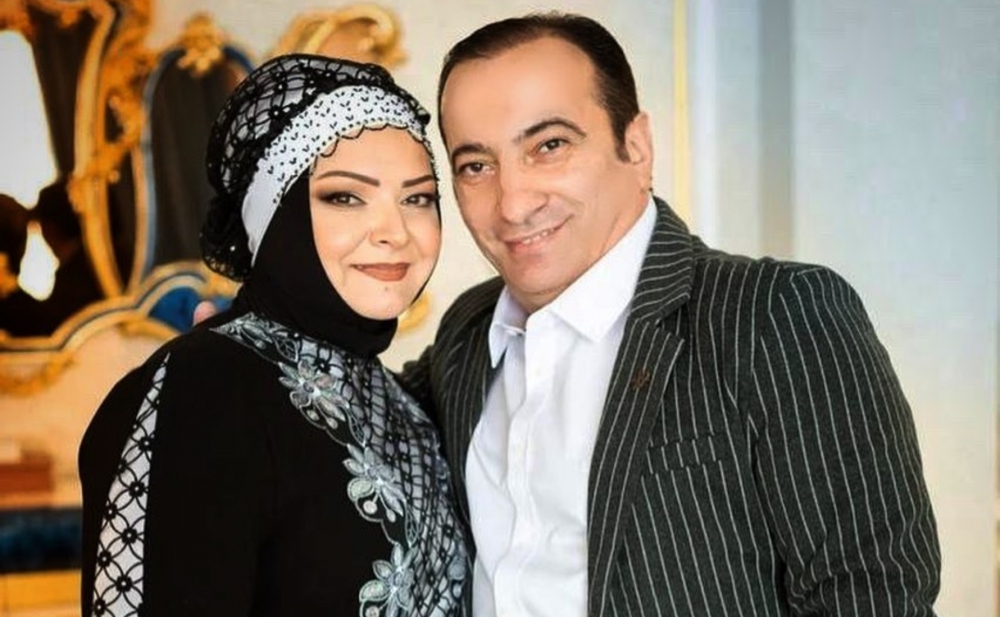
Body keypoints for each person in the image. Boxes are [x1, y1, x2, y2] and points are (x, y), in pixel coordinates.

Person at [192, 13, 941, 617]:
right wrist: (244, 360)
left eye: (548, 146)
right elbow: (343, 423)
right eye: (476, 165)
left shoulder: (772, 313)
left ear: (636, 146)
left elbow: (871, 593)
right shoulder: (466, 336)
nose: (513, 201)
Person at [78, 54, 468, 616]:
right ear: (273, 215)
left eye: (418, 198)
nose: (395, 232)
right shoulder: (205, 387)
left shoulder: (402, 401)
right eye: (345, 197)